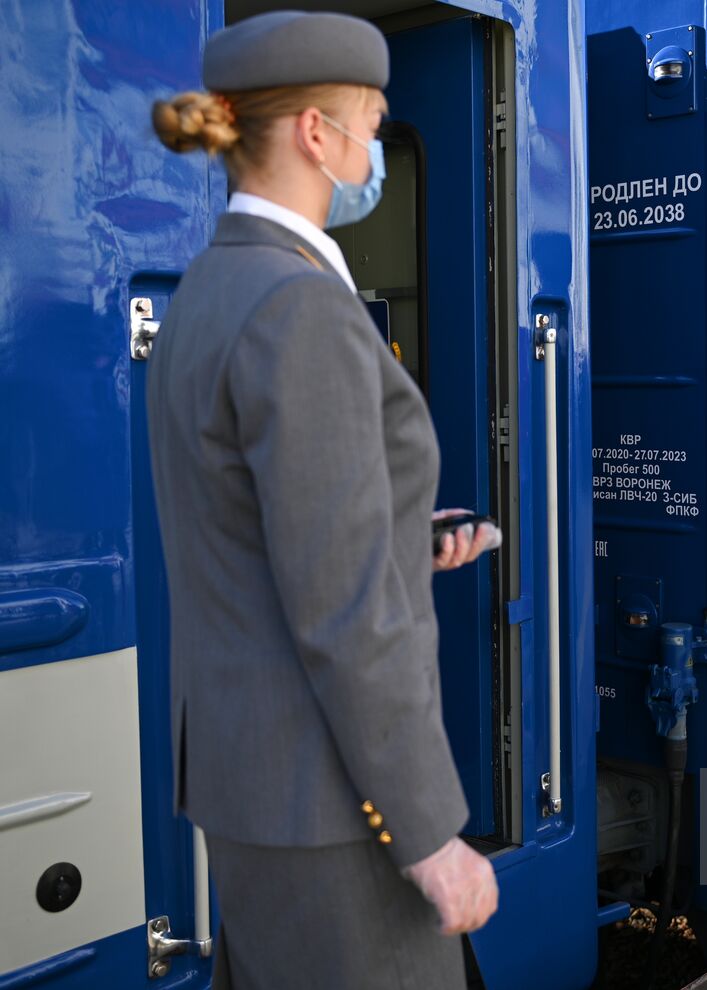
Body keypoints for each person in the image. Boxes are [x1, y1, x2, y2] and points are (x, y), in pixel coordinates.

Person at [147, 11, 498, 987]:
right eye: (372, 118)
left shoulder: (208, 294)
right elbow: (346, 617)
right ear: (315, 131)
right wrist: (429, 834)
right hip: (333, 805)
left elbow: (252, 530)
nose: (376, 142)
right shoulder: (300, 308)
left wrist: (398, 537)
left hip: (255, 786)